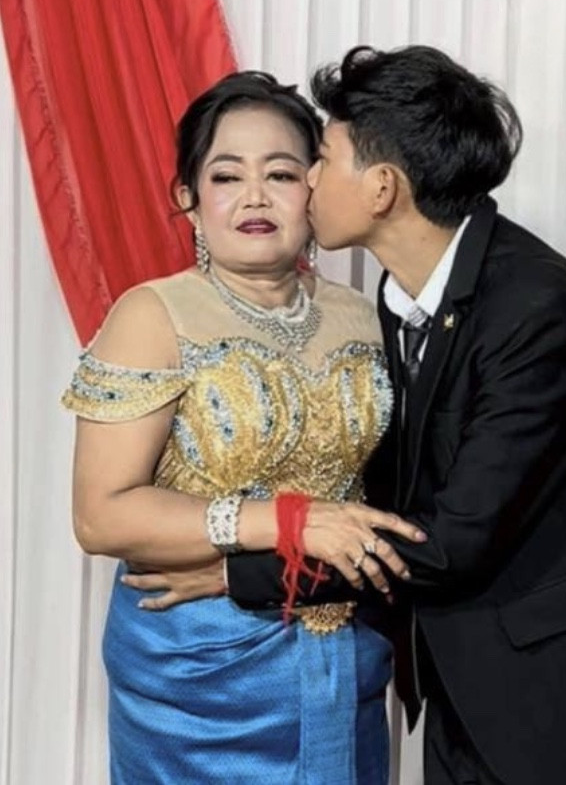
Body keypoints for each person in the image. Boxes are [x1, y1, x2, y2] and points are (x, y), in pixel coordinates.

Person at [206, 46, 566, 784]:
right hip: (464, 686)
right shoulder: (401, 296)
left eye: (324, 158)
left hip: (561, 705)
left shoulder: (535, 312)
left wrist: (233, 574)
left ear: (382, 187)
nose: (308, 178)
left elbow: (450, 543)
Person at [61, 70, 426, 785]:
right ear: (188, 199)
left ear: (314, 187)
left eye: (281, 174)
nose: (255, 196)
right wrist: (287, 522)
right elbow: (100, 516)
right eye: (227, 176)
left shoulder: (362, 314)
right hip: (200, 677)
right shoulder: (154, 315)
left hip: (342, 654)